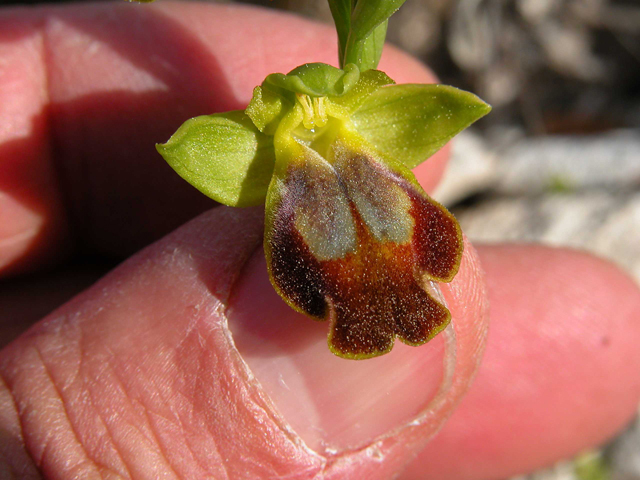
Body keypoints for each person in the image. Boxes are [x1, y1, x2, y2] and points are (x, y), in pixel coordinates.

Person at [1, 2, 639, 479]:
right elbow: (195, 150)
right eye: (299, 122)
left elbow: (437, 110)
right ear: (267, 121)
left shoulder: (360, 132)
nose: (316, 133)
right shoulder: (251, 150)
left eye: (325, 121)